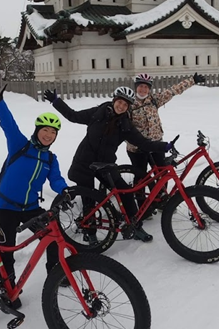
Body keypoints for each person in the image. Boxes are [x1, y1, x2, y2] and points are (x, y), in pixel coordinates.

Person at [44, 84, 171, 242]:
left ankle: (135, 226)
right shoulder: (97, 113)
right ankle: (90, 233)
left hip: (105, 164)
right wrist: (56, 101)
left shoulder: (125, 125)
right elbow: (73, 116)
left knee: (126, 191)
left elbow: (143, 143)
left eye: (125, 105)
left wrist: (163, 146)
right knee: (88, 198)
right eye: (120, 102)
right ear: (114, 100)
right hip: (84, 161)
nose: (121, 106)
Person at [0, 71, 67, 305]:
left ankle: (55, 273)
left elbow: (57, 180)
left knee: (54, 238)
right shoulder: (19, 145)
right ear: (37, 130)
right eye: (45, 129)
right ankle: (8, 288)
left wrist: (65, 191)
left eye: (53, 132)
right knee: (7, 249)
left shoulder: (50, 159)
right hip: (5, 207)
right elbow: (7, 123)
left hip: (31, 208)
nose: (48, 134)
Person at [125, 71, 204, 206]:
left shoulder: (154, 100)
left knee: (163, 172)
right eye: (140, 86)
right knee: (141, 178)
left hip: (156, 144)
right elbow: (125, 128)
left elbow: (173, 91)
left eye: (146, 87)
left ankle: (161, 200)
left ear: (149, 89)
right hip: (137, 148)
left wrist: (192, 80)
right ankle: (142, 207)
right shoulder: (129, 104)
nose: (143, 89)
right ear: (136, 87)